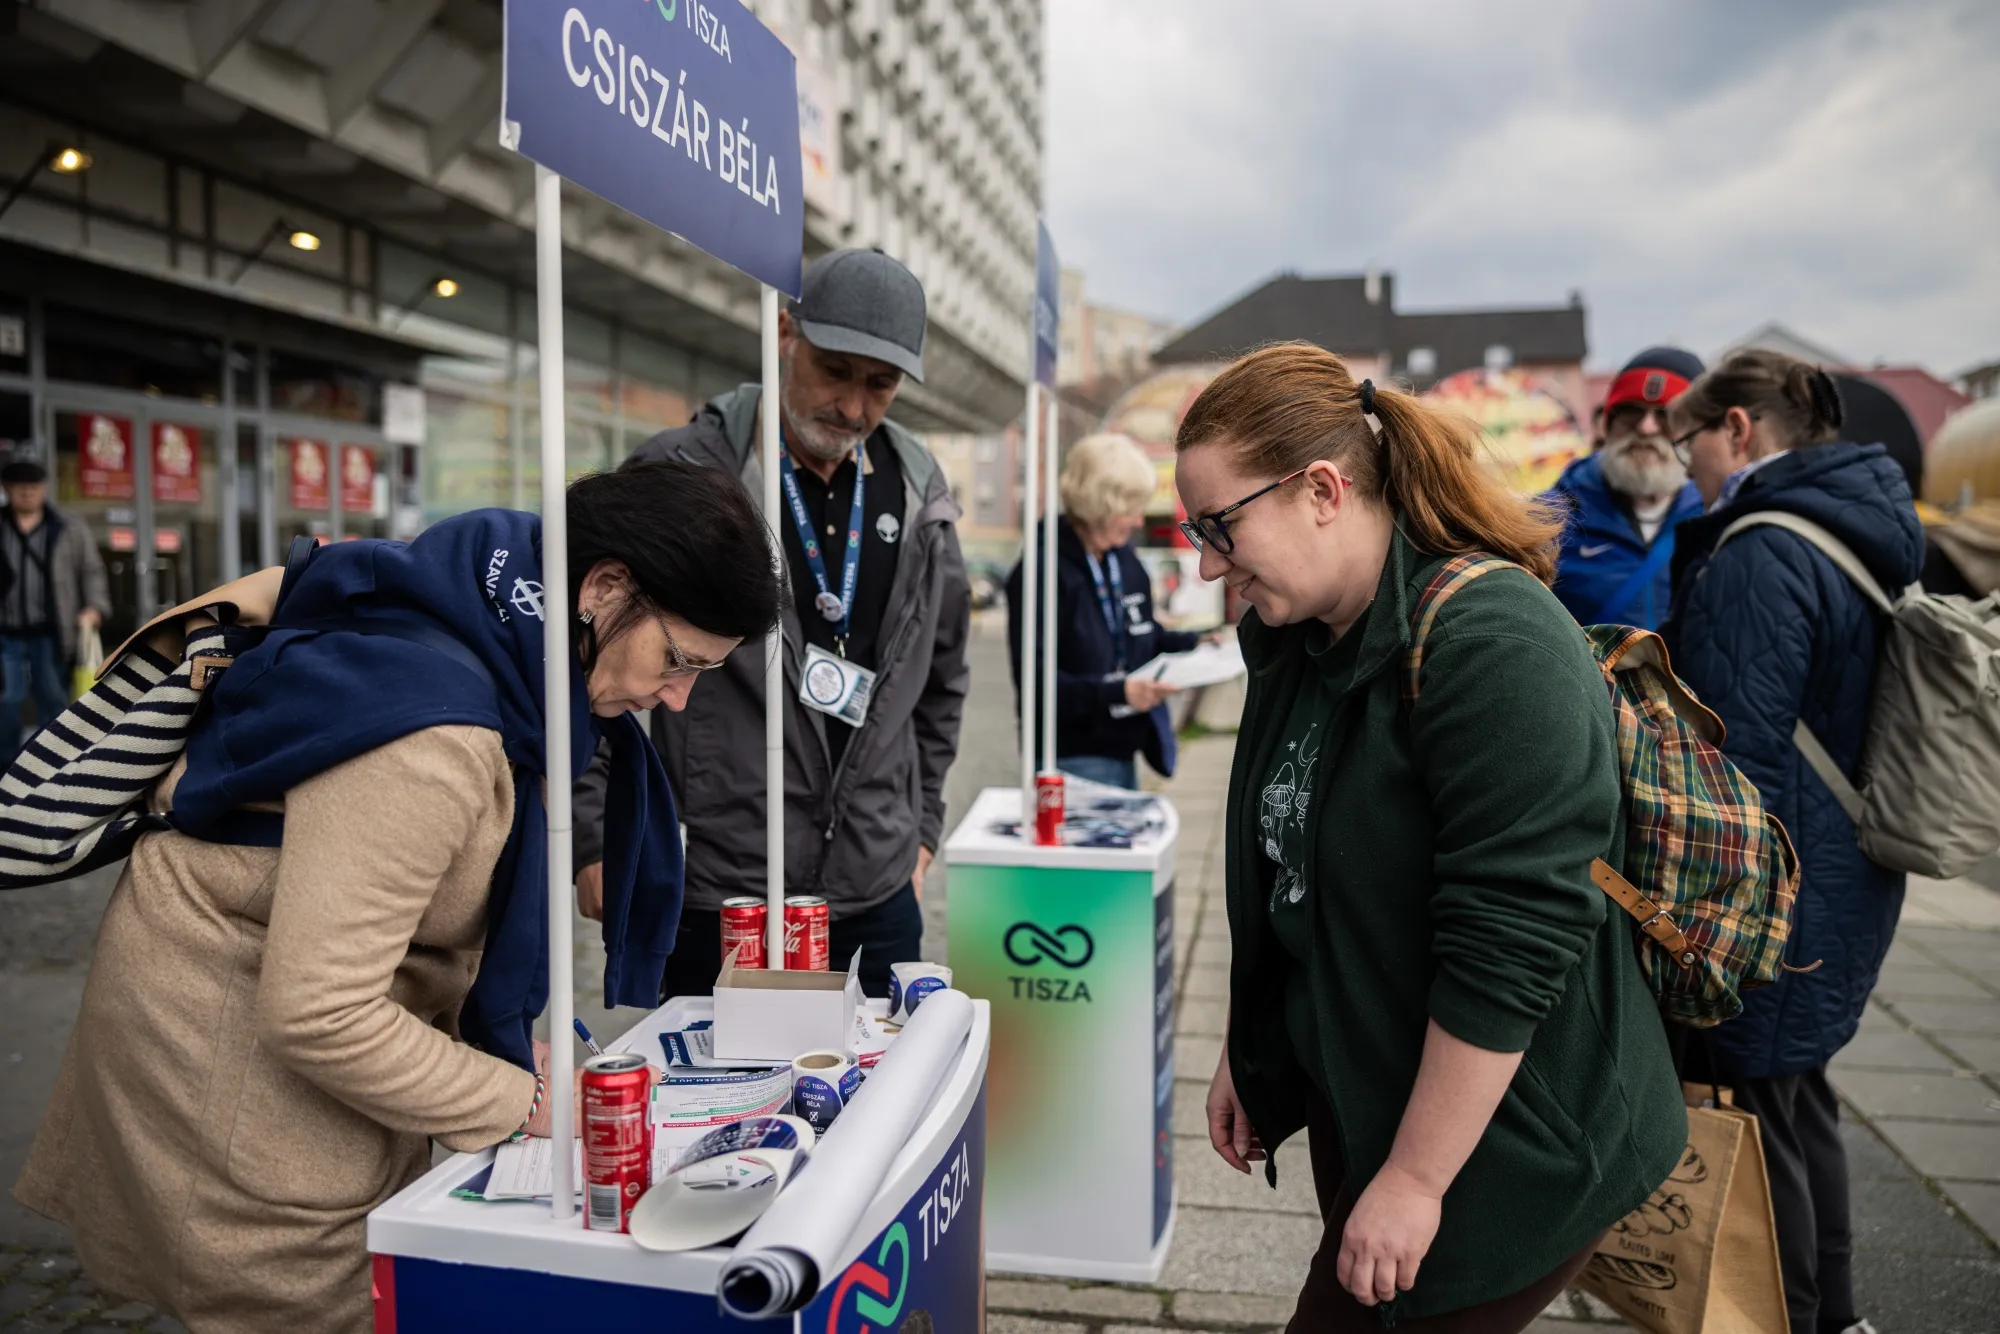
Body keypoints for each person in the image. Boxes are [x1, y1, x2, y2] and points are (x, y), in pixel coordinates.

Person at [14, 463, 783, 1333]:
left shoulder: (488, 610)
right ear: (603, 586)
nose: (675, 699)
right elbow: (321, 1013)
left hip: (265, 1047)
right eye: (679, 660)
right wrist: (525, 1104)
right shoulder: (433, 740)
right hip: (235, 1096)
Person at [1178, 343, 1684, 1332]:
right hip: (1368, 1098)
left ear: (1321, 488)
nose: (1203, 562)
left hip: (1499, 1148)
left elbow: (1511, 942)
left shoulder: (1492, 641)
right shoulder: (1302, 637)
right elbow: (1292, 872)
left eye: (1217, 525)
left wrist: (1413, 1177)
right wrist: (1255, 1044)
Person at [574, 249, 971, 1001]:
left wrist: (920, 834)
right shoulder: (687, 472)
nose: (853, 406)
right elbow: (586, 648)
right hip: (722, 884)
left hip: (876, 882)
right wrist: (593, 834)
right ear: (785, 332)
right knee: (717, 1103)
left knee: (879, 1102)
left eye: (880, 385)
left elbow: (944, 679)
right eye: (835, 371)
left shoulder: (921, 495)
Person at [1666, 349, 1922, 1334]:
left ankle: (1784, 1315)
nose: (1684, 458)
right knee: (1795, 1099)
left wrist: (1719, 927)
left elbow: (1733, 763)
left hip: (1779, 889)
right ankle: (1837, 1315)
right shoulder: (1847, 523)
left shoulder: (1759, 550)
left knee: (1754, 1116)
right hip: (1840, 870)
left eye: (1690, 437)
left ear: (1736, 430)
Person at [1004, 432, 1202, 790]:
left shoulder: (1124, 560)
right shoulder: (1040, 570)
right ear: (1102, 504)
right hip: (1068, 756)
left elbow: (1144, 634)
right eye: (1131, 508)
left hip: (1125, 746)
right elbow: (1036, 683)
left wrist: (1197, 642)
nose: (1140, 521)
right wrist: (1118, 693)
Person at [1546, 347, 1705, 628]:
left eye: (1667, 416)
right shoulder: (1549, 521)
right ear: (1606, 423)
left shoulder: (1717, 516)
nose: (1646, 428)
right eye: (1630, 412)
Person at [0, 458, 109, 767]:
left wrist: (95, 606)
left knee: (54, 699)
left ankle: (51, 768)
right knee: (7, 703)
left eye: (34, 488)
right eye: (20, 488)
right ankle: (6, 774)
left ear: (44, 489)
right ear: (7, 489)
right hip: (6, 632)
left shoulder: (67, 527)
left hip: (52, 631)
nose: (28, 494)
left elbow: (91, 570)